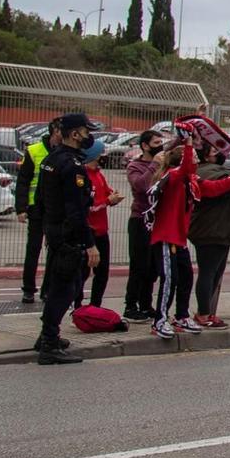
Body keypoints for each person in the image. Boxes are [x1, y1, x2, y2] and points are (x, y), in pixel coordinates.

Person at [144, 123, 230, 339]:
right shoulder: (173, 177)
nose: (197, 161)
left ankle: (181, 316)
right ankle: (159, 320)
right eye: (193, 159)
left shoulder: (191, 180)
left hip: (179, 239)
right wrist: (188, 142)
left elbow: (214, 187)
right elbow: (187, 166)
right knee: (169, 280)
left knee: (186, 278)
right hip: (166, 238)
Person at [31, 112, 100, 364]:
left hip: (54, 230)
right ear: (74, 134)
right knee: (64, 289)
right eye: (85, 131)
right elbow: (76, 210)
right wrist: (90, 243)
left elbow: (40, 200)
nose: (88, 135)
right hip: (67, 234)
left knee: (59, 286)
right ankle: (49, 343)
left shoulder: (52, 159)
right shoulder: (71, 165)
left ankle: (47, 335)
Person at [187, 134, 230, 330]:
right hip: (210, 230)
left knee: (214, 273)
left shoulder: (213, 170)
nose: (220, 153)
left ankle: (206, 311)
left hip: (218, 230)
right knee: (208, 272)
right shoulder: (205, 172)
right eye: (215, 150)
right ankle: (204, 313)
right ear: (206, 155)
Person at [14, 116, 62, 306]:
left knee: (54, 251)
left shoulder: (65, 153)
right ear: (54, 131)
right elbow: (23, 181)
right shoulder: (34, 151)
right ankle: (28, 290)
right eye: (61, 130)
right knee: (33, 250)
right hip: (36, 208)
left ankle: (48, 289)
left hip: (56, 209)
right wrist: (21, 208)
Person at [122, 124, 168, 321]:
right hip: (140, 219)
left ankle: (146, 303)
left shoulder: (164, 162)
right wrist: (154, 165)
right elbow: (140, 186)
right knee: (139, 265)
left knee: (152, 267)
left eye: (161, 142)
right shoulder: (135, 166)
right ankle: (131, 305)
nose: (160, 146)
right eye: (156, 143)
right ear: (145, 146)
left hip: (157, 221)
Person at [82, 137, 121, 309]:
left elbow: (107, 193)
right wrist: (107, 201)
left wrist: (113, 197)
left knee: (102, 272)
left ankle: (95, 305)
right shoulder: (84, 176)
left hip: (102, 230)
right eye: (101, 153)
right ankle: (77, 305)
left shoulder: (99, 174)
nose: (103, 156)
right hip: (88, 229)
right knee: (83, 271)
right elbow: (89, 207)